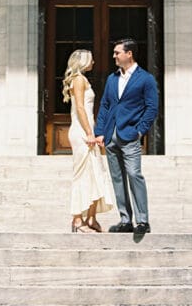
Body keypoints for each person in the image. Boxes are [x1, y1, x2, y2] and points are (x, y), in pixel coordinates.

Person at [94, 37, 158, 235]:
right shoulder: (112, 79)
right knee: (117, 178)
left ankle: (142, 220)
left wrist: (139, 130)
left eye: (117, 53)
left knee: (134, 175)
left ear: (129, 54)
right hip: (111, 136)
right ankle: (125, 219)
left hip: (130, 135)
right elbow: (105, 105)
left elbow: (152, 107)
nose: (114, 56)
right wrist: (99, 132)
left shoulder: (146, 79)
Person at [62, 49, 114, 232]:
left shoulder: (83, 79)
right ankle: (77, 219)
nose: (94, 62)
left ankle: (91, 218)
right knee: (82, 173)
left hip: (88, 129)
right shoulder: (78, 79)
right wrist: (89, 133)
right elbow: (80, 108)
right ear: (83, 61)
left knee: (95, 173)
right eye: (91, 59)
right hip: (81, 131)